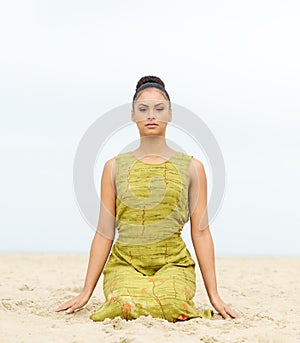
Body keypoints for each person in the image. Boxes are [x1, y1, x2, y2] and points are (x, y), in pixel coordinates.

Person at [54, 75, 239, 322]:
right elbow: (104, 232)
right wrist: (86, 291)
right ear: (133, 115)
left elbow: (201, 232)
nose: (151, 115)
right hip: (125, 264)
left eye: (159, 109)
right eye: (143, 109)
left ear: (170, 114)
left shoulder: (193, 168)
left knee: (173, 306)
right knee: (124, 307)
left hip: (173, 264)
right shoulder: (114, 167)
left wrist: (214, 295)